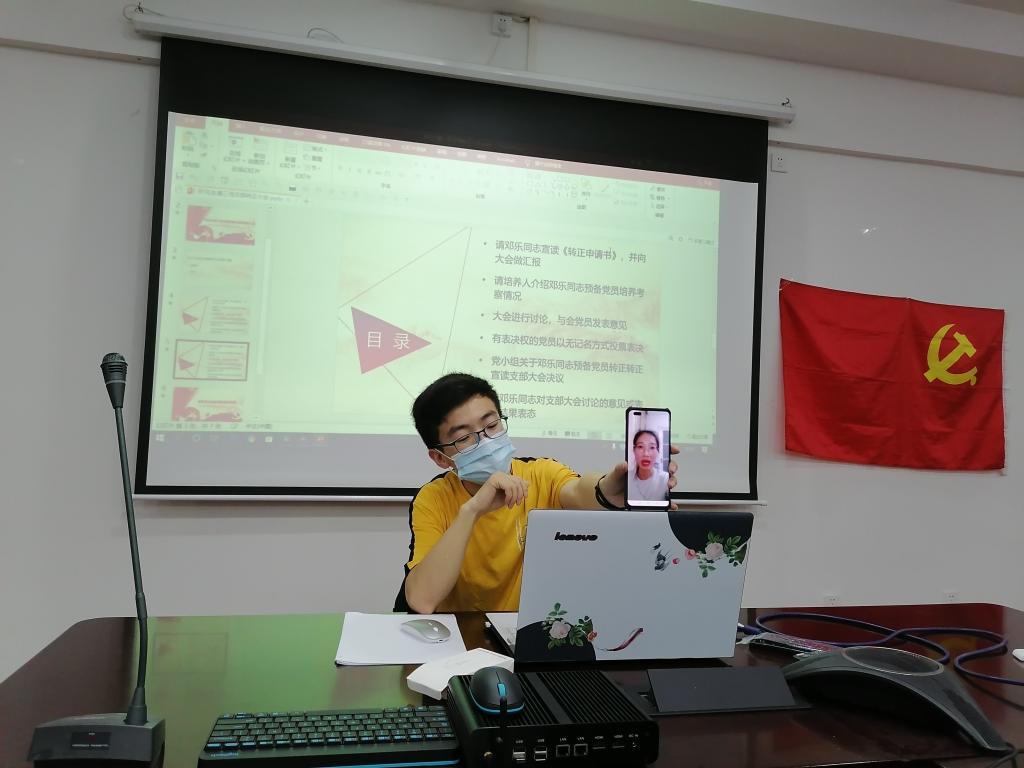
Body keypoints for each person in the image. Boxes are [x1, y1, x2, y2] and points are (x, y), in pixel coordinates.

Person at [399, 373, 678, 614]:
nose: (486, 441)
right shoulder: (433, 499)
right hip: (464, 640)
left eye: (492, 425)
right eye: (463, 438)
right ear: (440, 458)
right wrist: (472, 510)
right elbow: (422, 599)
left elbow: (580, 492)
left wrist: (611, 488)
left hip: (527, 633)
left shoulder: (540, 473)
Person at [629, 429, 670, 501]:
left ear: (658, 451)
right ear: (634, 450)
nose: (646, 454)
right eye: (640, 446)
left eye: (652, 447)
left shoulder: (665, 479)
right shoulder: (626, 478)